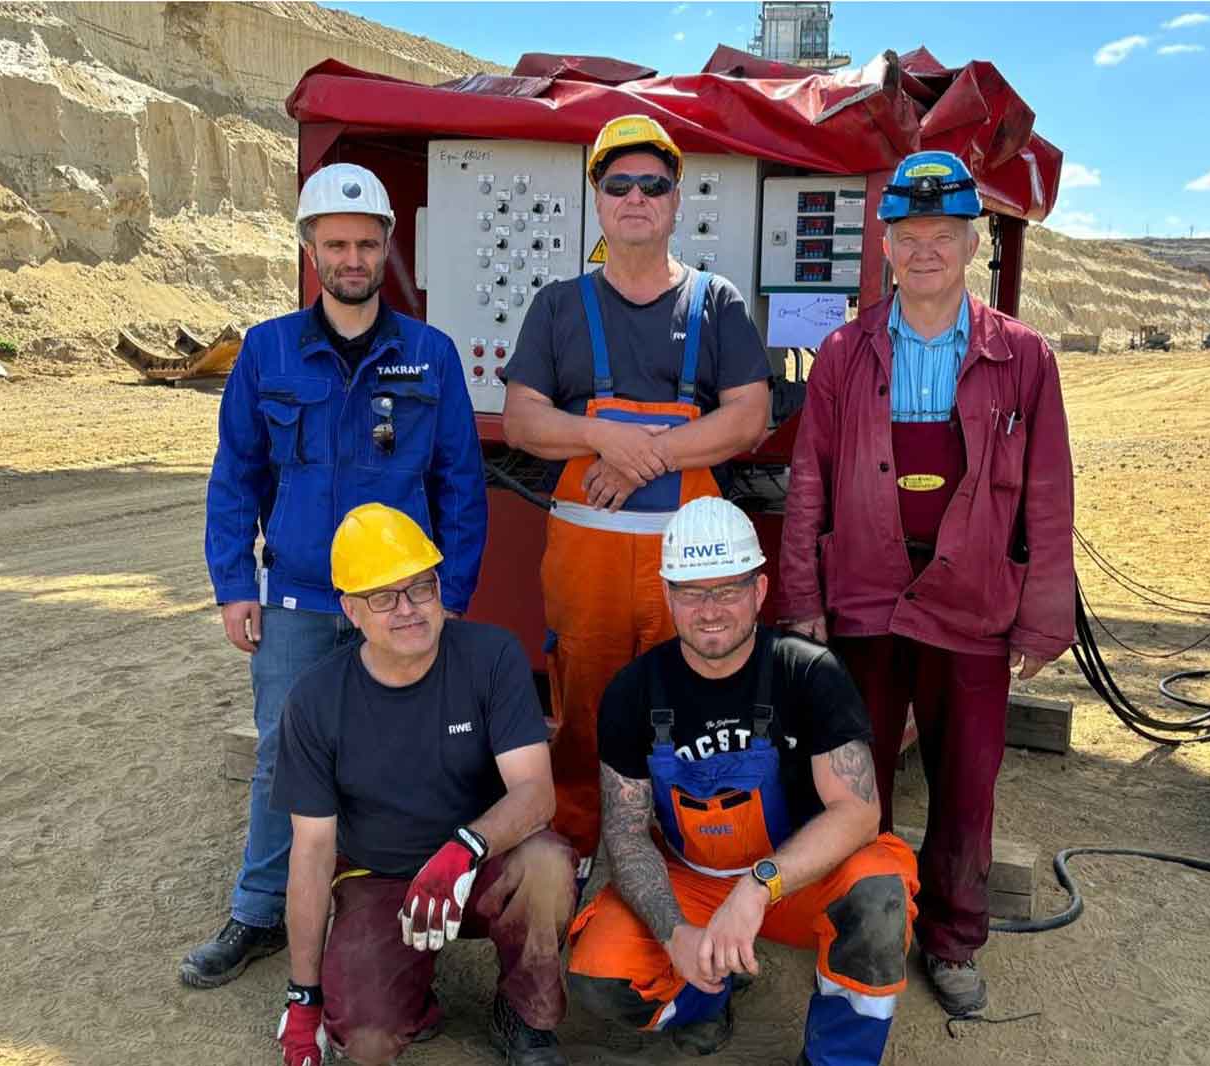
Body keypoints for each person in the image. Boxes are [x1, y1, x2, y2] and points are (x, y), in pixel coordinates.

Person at [777, 150, 1075, 1016]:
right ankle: (852, 927)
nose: (925, 250)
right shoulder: (844, 352)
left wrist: (1041, 616)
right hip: (865, 599)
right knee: (849, 778)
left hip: (973, 603)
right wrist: (803, 602)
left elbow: (1049, 493)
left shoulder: (1023, 358)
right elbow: (810, 486)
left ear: (972, 243)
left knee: (966, 778)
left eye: (944, 234)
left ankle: (950, 939)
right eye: (909, 234)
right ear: (886, 246)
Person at [184, 163, 489, 988]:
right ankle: (258, 911)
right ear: (309, 249)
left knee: (417, 749)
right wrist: (233, 584)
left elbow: (461, 484)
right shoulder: (267, 351)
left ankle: (416, 905)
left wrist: (449, 596)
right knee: (286, 750)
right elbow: (236, 475)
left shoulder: (428, 355)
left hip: (402, 603)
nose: (352, 257)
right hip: (297, 600)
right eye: (335, 244)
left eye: (365, 242)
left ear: (387, 246)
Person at [502, 115, 772, 875]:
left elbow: (748, 417)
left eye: (653, 184)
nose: (636, 197)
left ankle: (684, 848)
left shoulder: (715, 304)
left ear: (676, 199)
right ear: (597, 197)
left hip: (689, 572)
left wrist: (640, 455)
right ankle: (583, 841)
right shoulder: (558, 307)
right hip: (584, 567)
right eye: (618, 183)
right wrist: (602, 440)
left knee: (689, 703)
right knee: (585, 707)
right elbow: (523, 419)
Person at [567, 498, 918, 1065]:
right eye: (691, 591)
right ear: (667, 595)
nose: (710, 611)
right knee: (601, 980)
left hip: (800, 879)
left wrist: (759, 886)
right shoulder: (632, 692)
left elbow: (857, 813)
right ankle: (709, 992)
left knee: (878, 898)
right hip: (694, 881)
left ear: (759, 591)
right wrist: (673, 932)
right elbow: (627, 833)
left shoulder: (808, 673)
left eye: (728, 589)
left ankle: (838, 1058)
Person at [271, 504, 575, 1066]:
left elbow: (536, 794)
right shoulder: (315, 701)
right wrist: (303, 996)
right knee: (365, 1042)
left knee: (548, 864)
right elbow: (311, 854)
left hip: (482, 864)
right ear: (351, 611)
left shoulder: (493, 656)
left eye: (421, 587)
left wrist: (466, 846)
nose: (409, 609)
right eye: (384, 597)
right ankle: (409, 997)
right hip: (380, 878)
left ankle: (526, 1014)